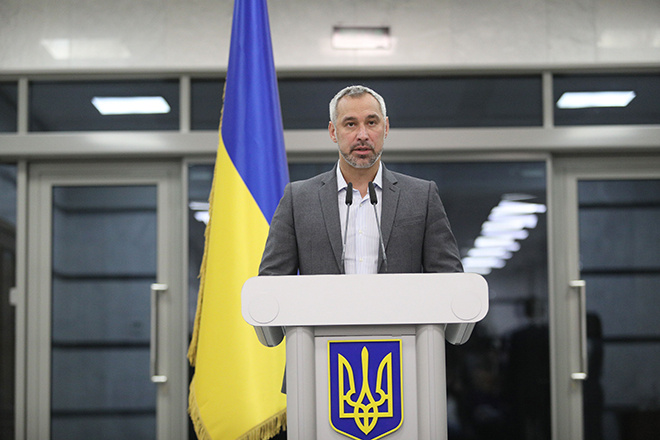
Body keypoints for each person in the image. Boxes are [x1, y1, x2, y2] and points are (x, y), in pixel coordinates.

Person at [259, 85, 462, 276]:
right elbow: (272, 280)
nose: (362, 135)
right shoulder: (298, 200)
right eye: (351, 124)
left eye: (371, 123)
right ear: (333, 132)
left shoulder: (421, 197)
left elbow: (449, 278)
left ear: (386, 128)